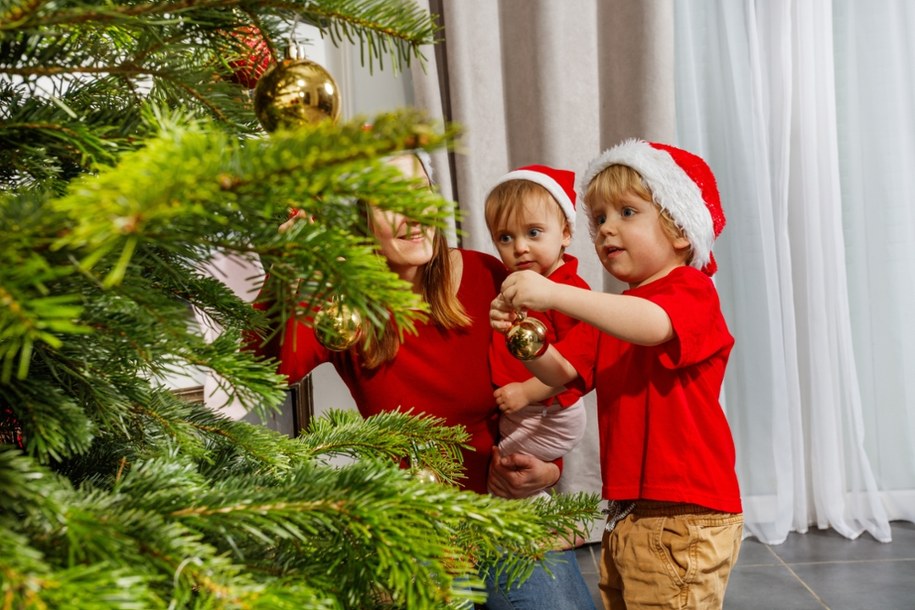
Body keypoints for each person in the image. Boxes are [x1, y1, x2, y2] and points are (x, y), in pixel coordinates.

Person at [247, 151, 597, 610]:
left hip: (507, 512)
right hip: (415, 526)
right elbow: (255, 371)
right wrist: (281, 278)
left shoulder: (490, 276)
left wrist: (549, 470)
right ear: (358, 222)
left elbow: (554, 386)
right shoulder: (342, 309)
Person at [491, 139, 744, 609]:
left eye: (627, 212)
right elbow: (561, 371)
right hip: (629, 511)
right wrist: (522, 338)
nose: (607, 229)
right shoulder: (615, 312)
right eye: (600, 218)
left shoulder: (691, 290)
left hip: (684, 510)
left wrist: (556, 295)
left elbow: (654, 326)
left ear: (680, 229)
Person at [482, 165, 589, 499]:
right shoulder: (514, 284)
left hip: (550, 411)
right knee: (507, 467)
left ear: (565, 233)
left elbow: (579, 366)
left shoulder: (568, 291)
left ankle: (544, 525)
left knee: (501, 470)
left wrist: (527, 392)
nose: (520, 248)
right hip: (528, 410)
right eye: (505, 237)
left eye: (533, 233)